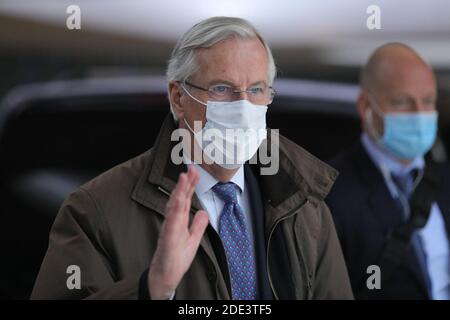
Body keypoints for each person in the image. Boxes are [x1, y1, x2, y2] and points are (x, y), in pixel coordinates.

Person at [31, 16, 352, 300]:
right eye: (222, 89)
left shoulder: (305, 207)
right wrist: (151, 289)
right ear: (178, 97)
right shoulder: (94, 211)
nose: (243, 106)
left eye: (256, 89)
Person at [326, 43, 450, 299]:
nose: (419, 114)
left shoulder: (443, 178)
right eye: (402, 102)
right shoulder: (331, 193)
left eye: (427, 101)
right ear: (365, 106)